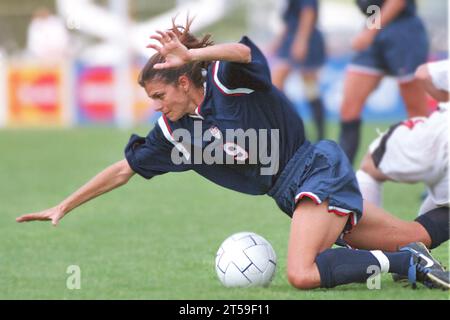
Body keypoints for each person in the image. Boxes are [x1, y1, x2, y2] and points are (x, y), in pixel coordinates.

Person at [16, 18, 449, 290]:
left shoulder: (227, 79)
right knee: (419, 232)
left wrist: (195, 54)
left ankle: (405, 265)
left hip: (315, 170)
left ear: (184, 82)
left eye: (159, 94)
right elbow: (123, 170)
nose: (156, 104)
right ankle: (412, 255)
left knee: (301, 273)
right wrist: (64, 205)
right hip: (290, 194)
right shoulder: (173, 132)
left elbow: (247, 52)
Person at [339, 0, 430, 165]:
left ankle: (434, 180)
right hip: (374, 26)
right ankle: (339, 179)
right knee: (348, 108)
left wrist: (370, 31)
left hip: (403, 30)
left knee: (417, 112)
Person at [356, 59, 449, 216]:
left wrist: (445, 100)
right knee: (444, 200)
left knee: (369, 166)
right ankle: (419, 238)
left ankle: (362, 232)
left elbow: (423, 74)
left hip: (440, 135)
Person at [271, 0, 326, 141]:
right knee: (281, 87)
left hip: (303, 38)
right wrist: (278, 41)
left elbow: (308, 12)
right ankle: (301, 128)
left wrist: (301, 41)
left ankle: (319, 135)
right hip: (293, 38)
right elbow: (290, 22)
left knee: (307, 88)